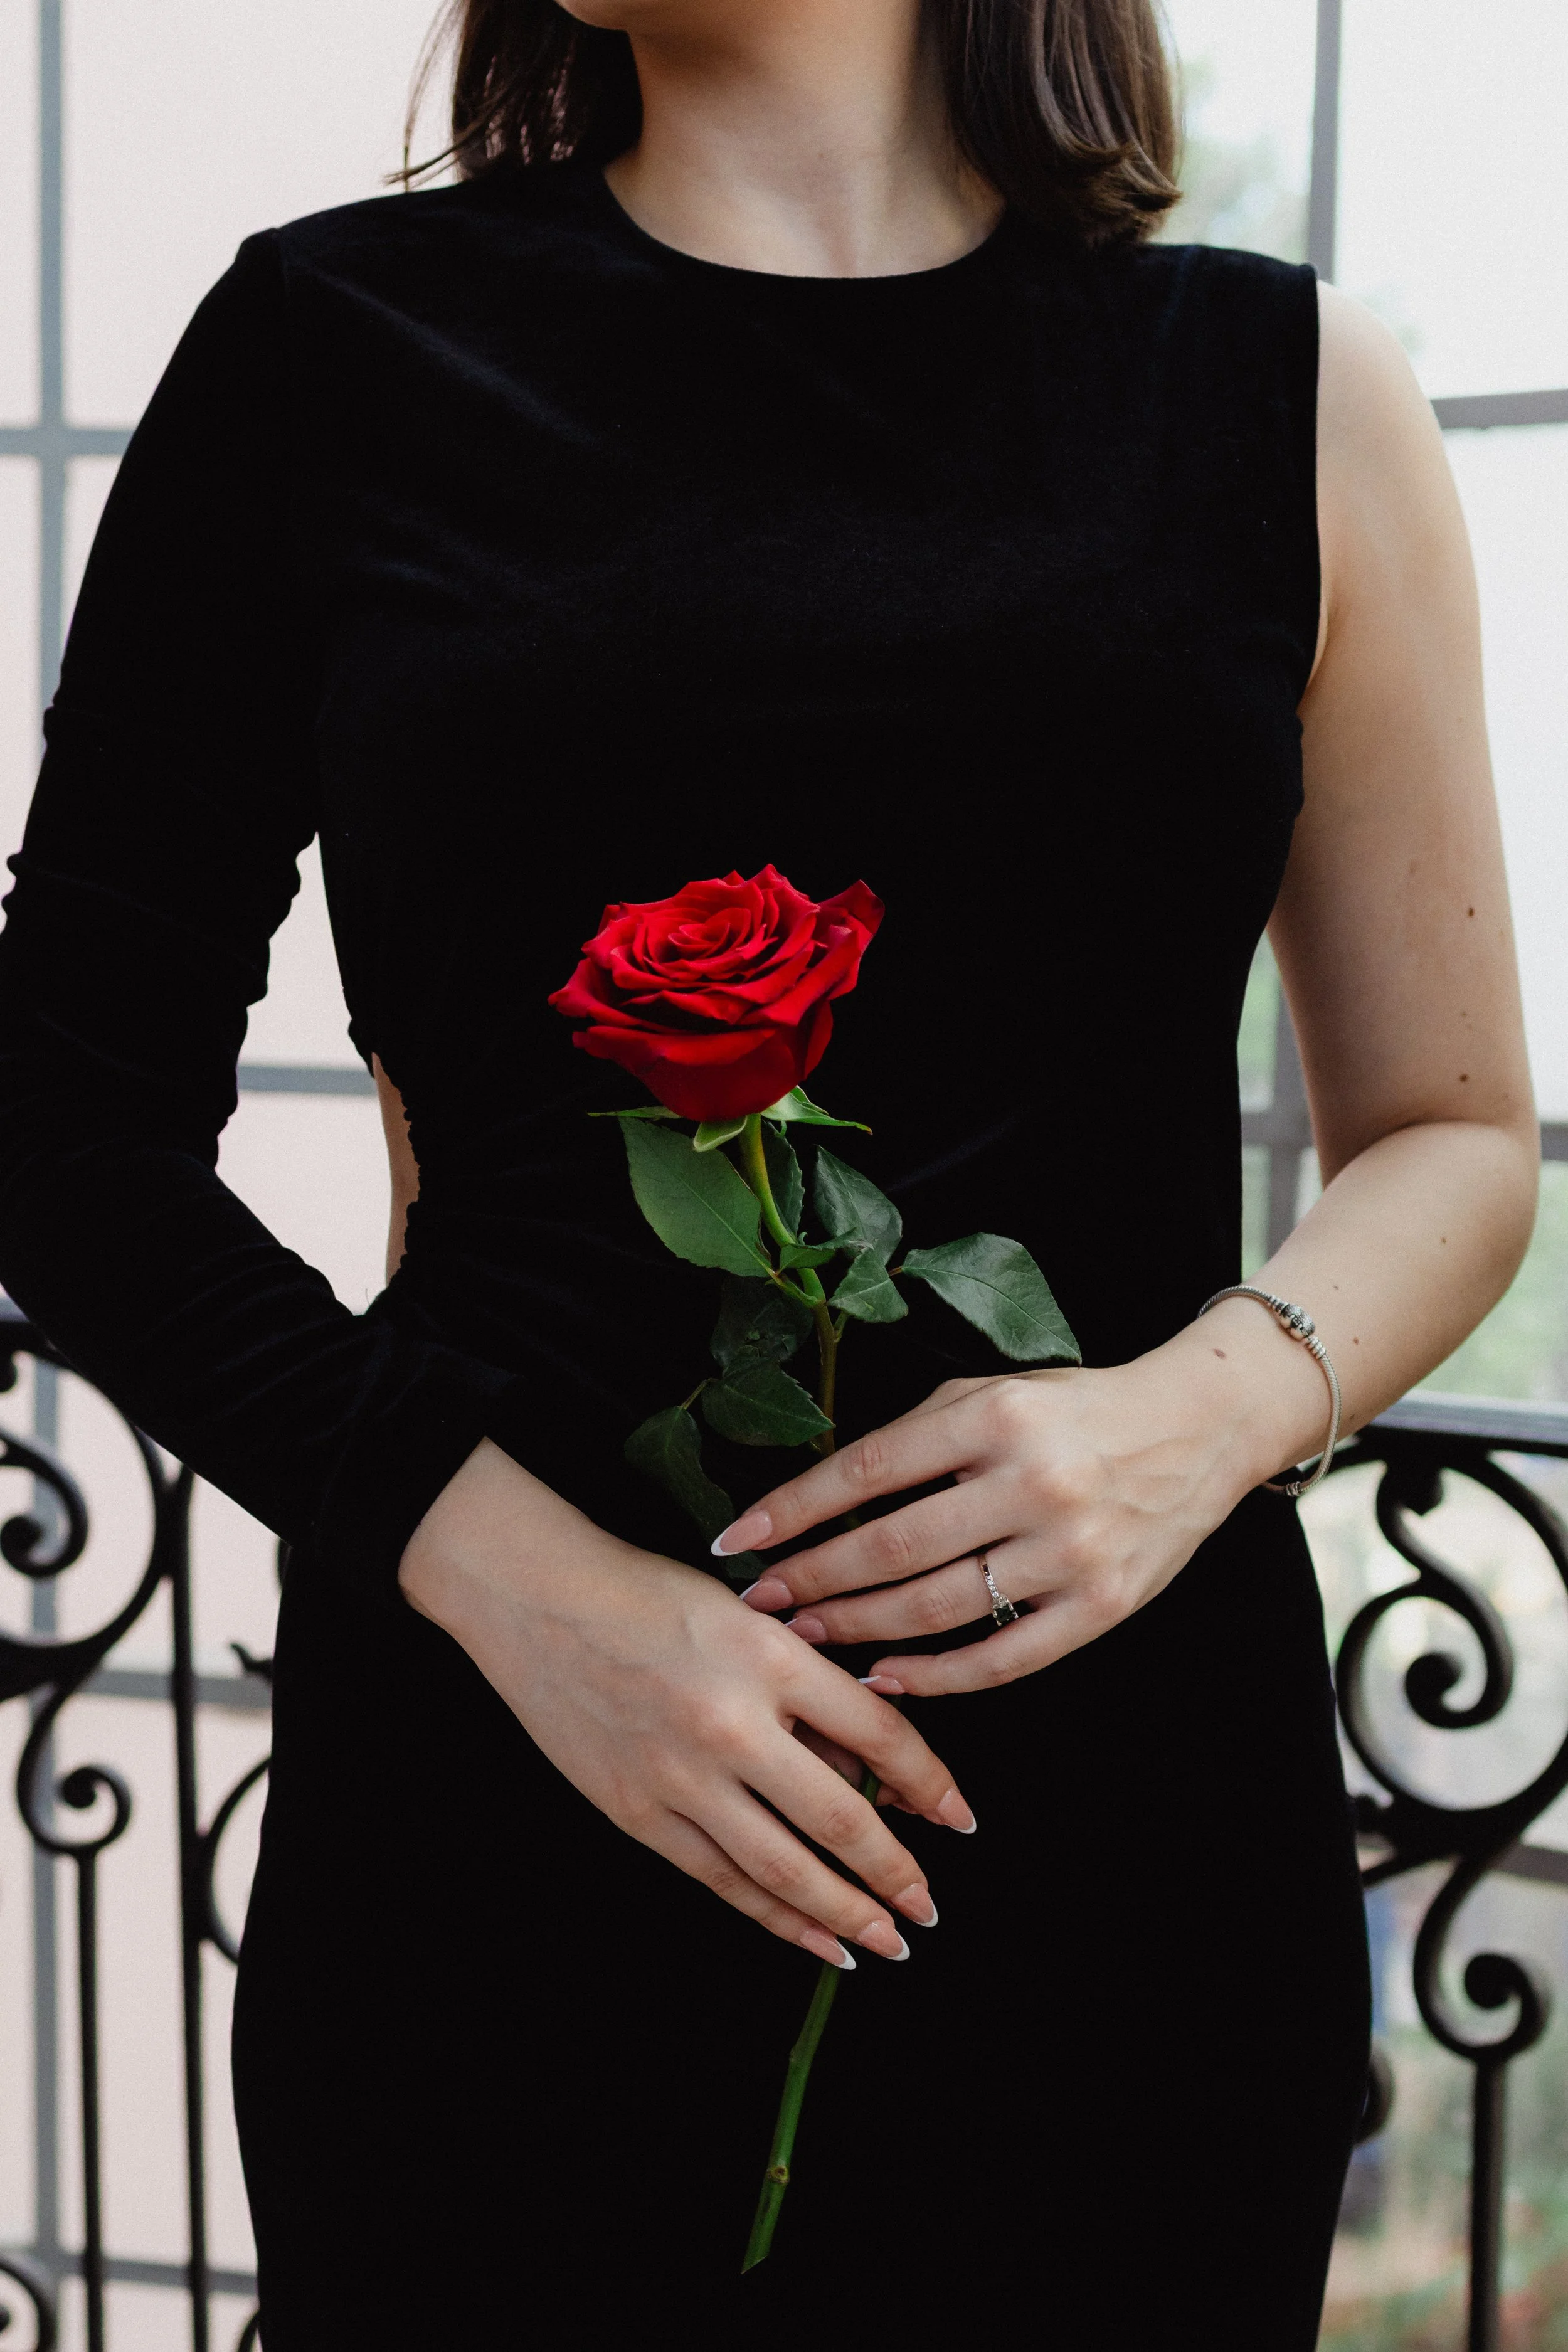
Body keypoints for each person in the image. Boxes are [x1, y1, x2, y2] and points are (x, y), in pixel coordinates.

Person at [0, 0, 1536, 2341]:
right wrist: (518, 1584)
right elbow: (59, 1123)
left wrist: (1195, 1416)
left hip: (1122, 1873)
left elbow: (1449, 1136)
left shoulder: (1285, 395)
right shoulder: (325, 356)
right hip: (500, 1831)